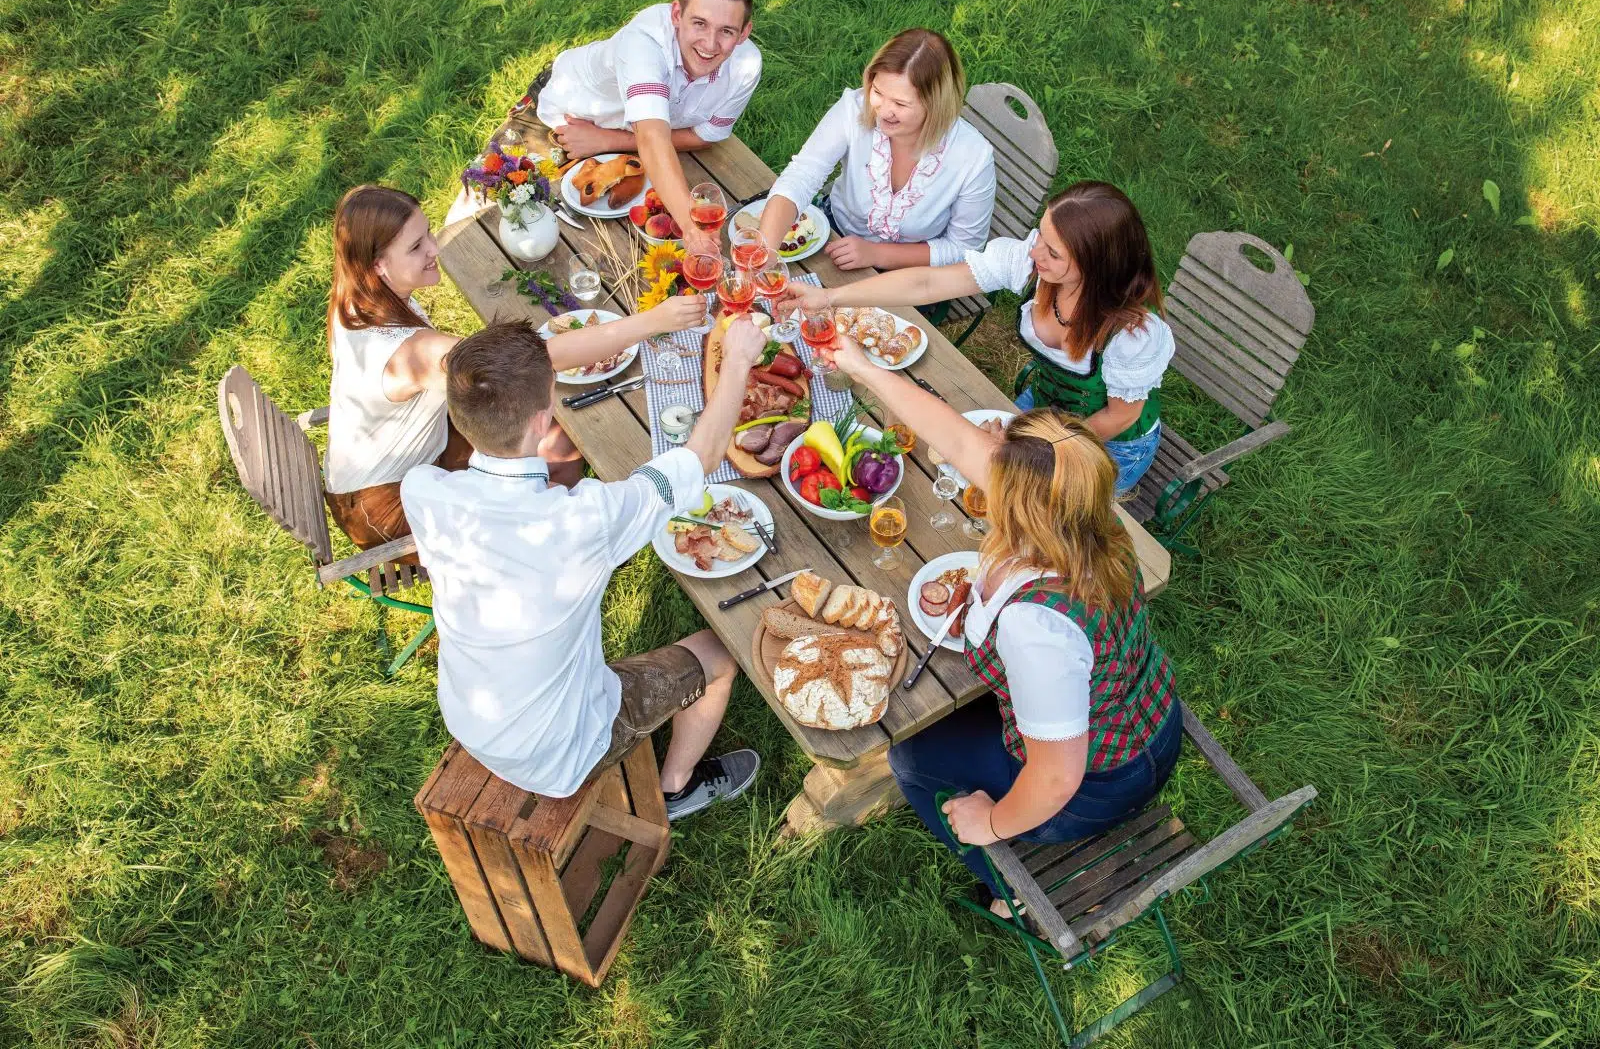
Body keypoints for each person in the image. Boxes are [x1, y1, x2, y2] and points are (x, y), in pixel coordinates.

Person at [822, 335, 1181, 912]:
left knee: (911, 759)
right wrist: (860, 366)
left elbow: (1057, 777)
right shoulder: (1083, 515)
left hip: (1098, 784)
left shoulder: (1038, 629)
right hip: (1147, 718)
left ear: (1015, 505)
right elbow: (955, 435)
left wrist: (989, 820)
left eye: (998, 445)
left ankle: (1005, 890)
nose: (983, 443)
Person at [400, 315, 771, 817]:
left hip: (471, 716)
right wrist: (739, 363)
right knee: (722, 653)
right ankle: (676, 789)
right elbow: (700, 457)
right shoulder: (583, 521)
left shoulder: (422, 489)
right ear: (541, 418)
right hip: (560, 754)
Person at [322, 184, 706, 551]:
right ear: (378, 266)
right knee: (553, 435)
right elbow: (537, 359)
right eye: (417, 246)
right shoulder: (413, 354)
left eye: (428, 234)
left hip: (418, 457)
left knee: (546, 420)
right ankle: (561, 544)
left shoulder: (358, 300)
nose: (434, 248)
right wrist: (651, 321)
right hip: (386, 509)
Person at [783, 181, 1173, 493]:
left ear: (1096, 267)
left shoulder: (1133, 335)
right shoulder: (1030, 264)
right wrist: (829, 296)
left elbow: (1122, 415)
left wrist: (1036, 449)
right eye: (1039, 235)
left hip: (1106, 443)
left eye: (1052, 253)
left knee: (1033, 517)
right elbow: (925, 283)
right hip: (1040, 410)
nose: (1035, 253)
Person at [537, 0, 762, 262]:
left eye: (726, 31)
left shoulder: (747, 65)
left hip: (613, 138)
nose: (710, 44)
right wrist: (693, 229)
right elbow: (654, 141)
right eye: (699, 23)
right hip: (572, 119)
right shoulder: (643, 43)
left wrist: (607, 141)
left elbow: (707, 135)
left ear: (745, 32)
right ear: (676, 14)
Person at [757, 28, 994, 274]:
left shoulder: (973, 158)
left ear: (936, 105)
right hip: (834, 237)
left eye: (901, 104)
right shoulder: (854, 108)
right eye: (878, 92)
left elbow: (965, 248)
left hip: (913, 273)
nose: (883, 110)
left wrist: (875, 253)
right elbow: (803, 174)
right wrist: (765, 251)